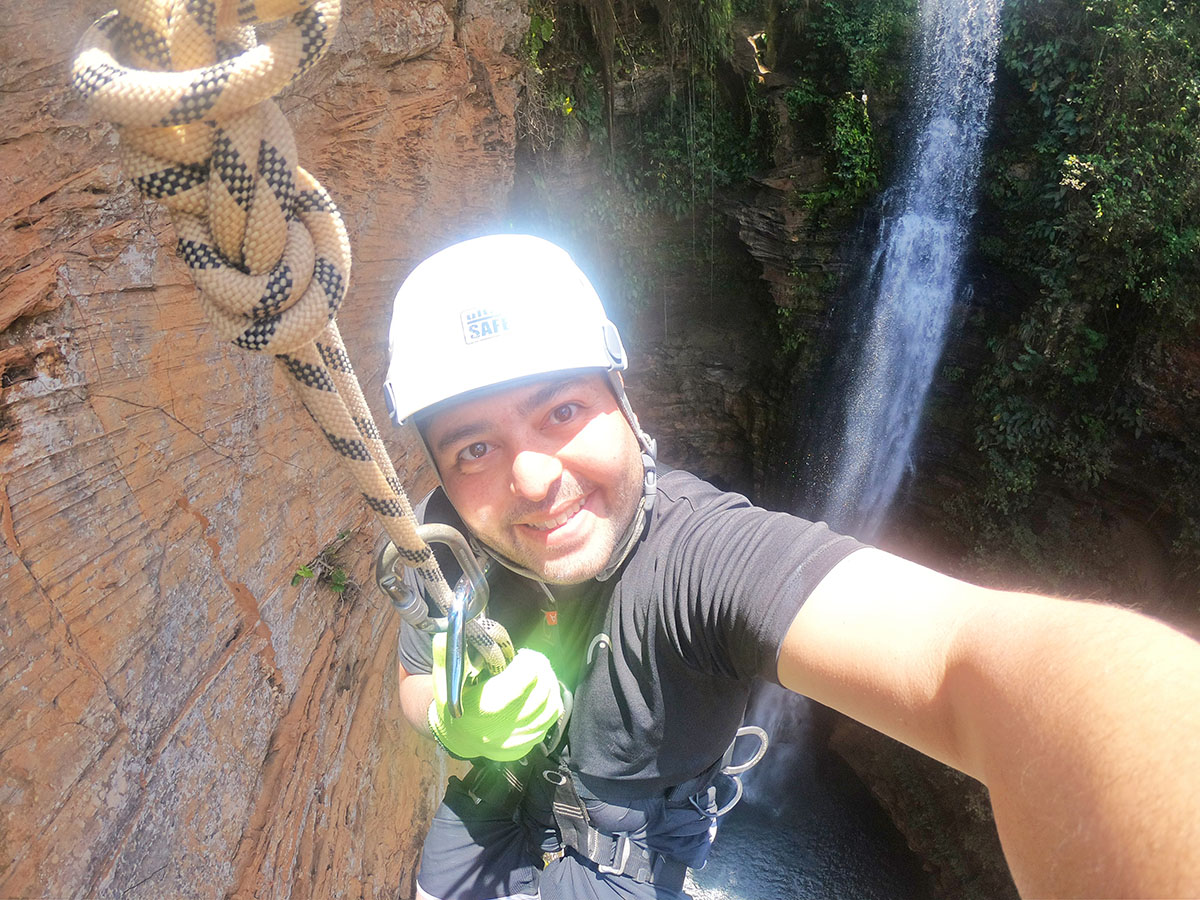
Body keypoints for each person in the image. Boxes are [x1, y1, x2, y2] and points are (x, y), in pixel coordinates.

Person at [383, 234, 1200, 900]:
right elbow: (415, 682)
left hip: (620, 867)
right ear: (442, 471)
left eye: (561, 411)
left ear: (626, 407)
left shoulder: (701, 558)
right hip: (491, 809)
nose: (531, 480)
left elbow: (965, 662)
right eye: (475, 448)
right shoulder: (444, 539)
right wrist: (454, 719)